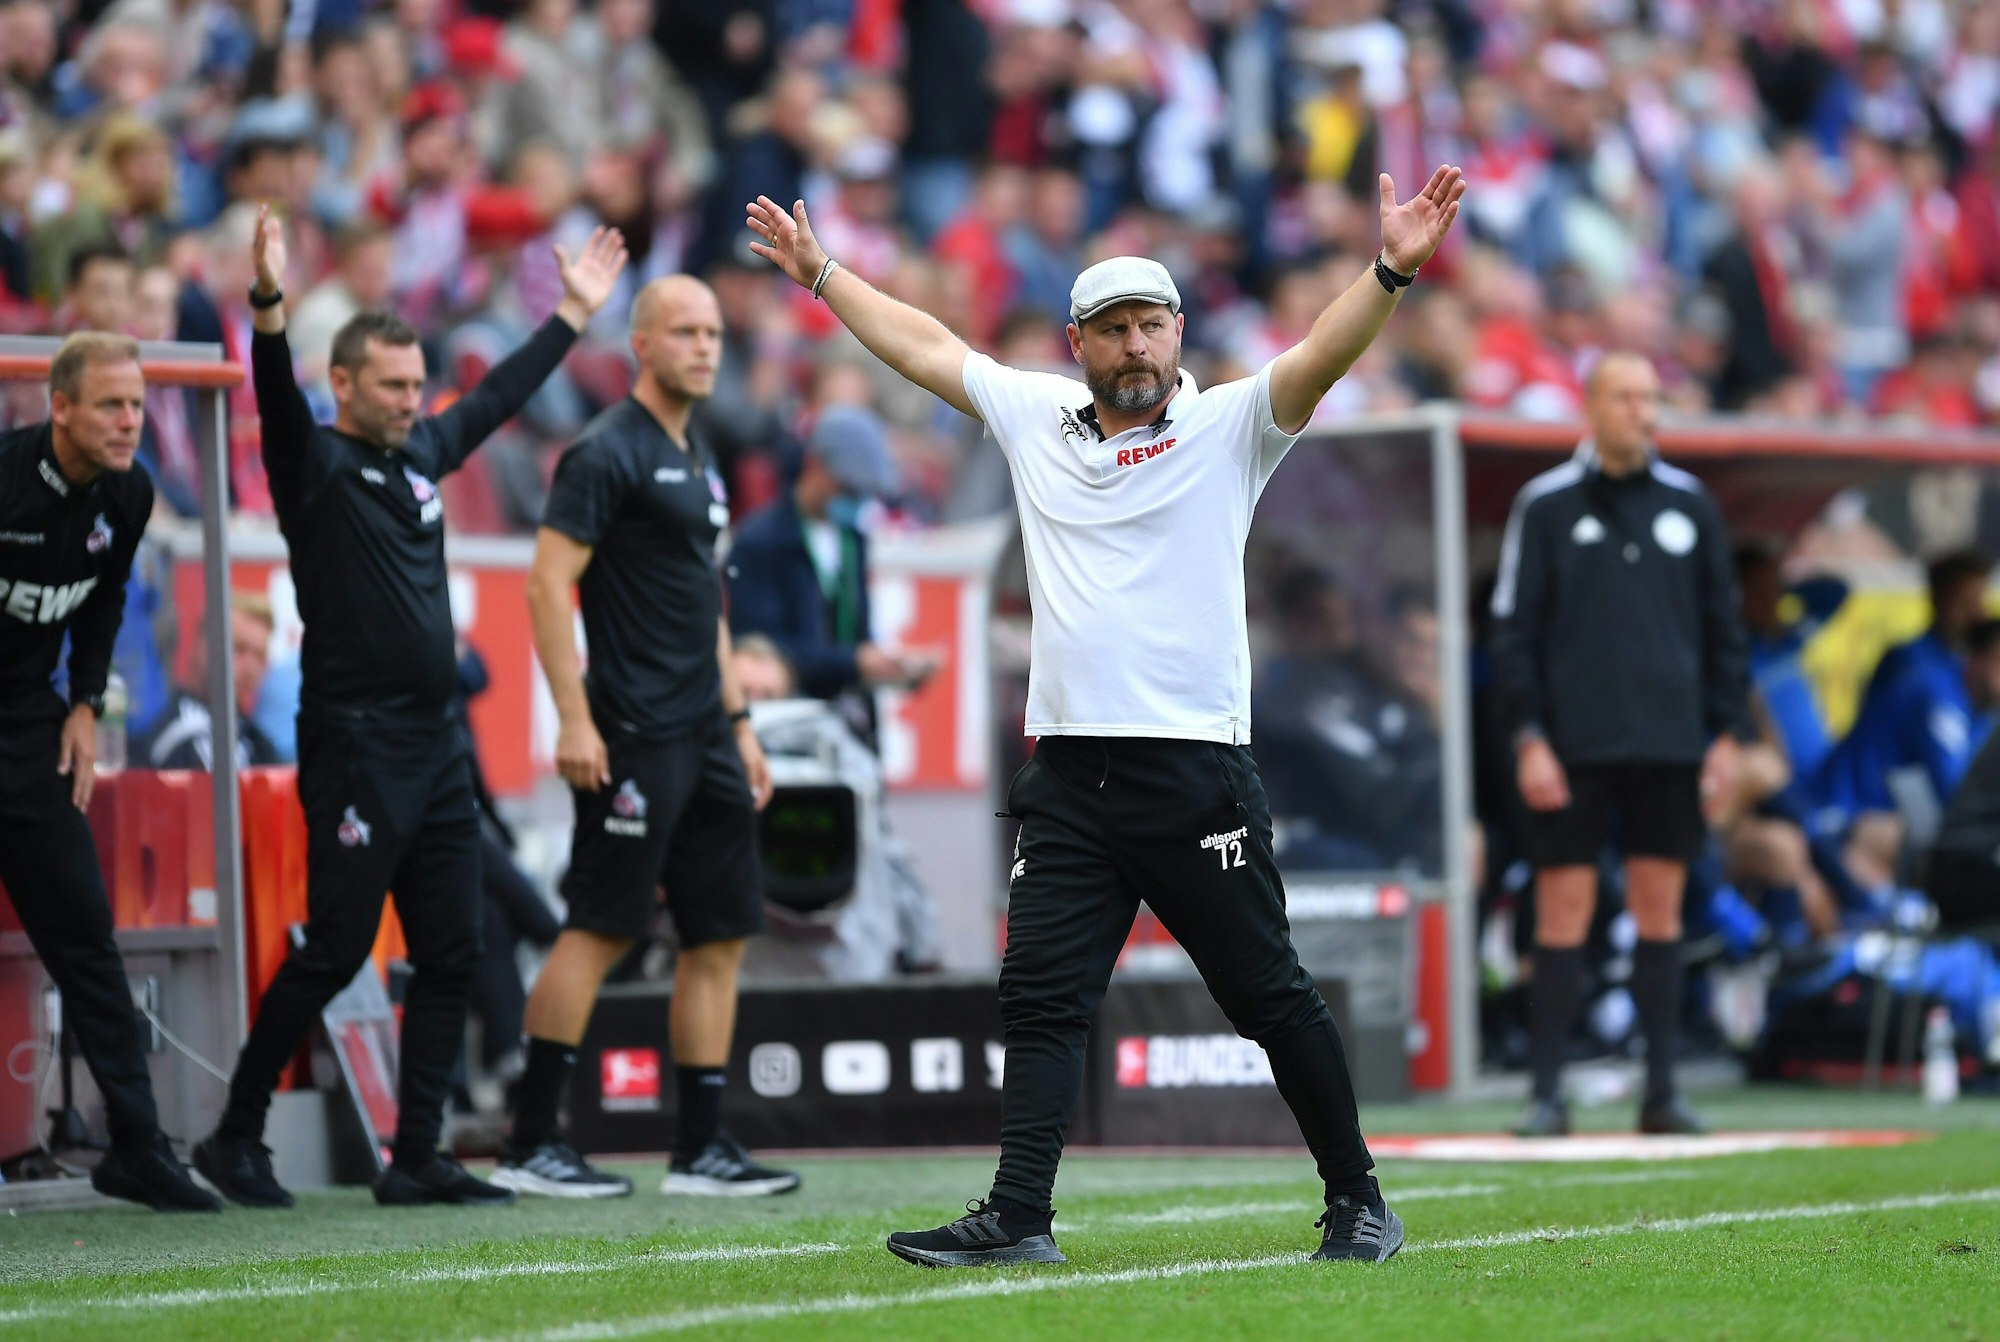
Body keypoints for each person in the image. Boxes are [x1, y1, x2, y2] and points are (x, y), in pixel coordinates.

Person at [744, 161, 1466, 1267]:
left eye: (1152, 325)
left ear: (1178, 333)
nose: (1136, 346)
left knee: (1266, 991)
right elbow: (925, 346)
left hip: (1194, 774)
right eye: (1114, 328)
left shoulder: (1230, 427)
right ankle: (1020, 1216)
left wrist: (1388, 271)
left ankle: (1358, 1198)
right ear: (1077, 343)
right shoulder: (1034, 417)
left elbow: (1321, 351)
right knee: (1037, 996)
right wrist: (824, 273)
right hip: (1071, 774)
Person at [192, 205, 627, 1210]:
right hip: (356, 744)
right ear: (340, 384)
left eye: (413, 384)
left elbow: (500, 398)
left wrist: (567, 315)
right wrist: (267, 301)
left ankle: (416, 1154)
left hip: (435, 749)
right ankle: (234, 1133)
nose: (407, 399)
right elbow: (270, 389)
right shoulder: (315, 468)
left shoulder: (420, 454)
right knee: (337, 946)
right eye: (387, 386)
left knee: (455, 949)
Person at [489, 274, 795, 1201]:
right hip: (628, 729)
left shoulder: (696, 449)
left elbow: (707, 598)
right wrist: (574, 719)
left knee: (720, 937)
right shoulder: (602, 452)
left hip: (704, 730)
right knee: (599, 928)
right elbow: (545, 587)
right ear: (643, 345)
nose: (706, 346)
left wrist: (739, 722)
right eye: (686, 332)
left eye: (713, 331)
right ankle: (532, 1141)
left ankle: (701, 1149)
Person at [1490, 351, 1749, 1139]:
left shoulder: (1690, 504)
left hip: (1670, 744)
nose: (1646, 411)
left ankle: (1661, 1093)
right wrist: (1528, 737)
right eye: (1629, 397)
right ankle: (1546, 1096)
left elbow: (1723, 632)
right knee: (1562, 911)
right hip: (1573, 746)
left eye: (1652, 396)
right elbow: (1513, 634)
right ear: (1592, 407)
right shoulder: (1546, 505)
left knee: (1660, 909)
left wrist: (1724, 734)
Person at [0, 332, 219, 1211]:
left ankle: (137, 1145)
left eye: (136, 405)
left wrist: (85, 700)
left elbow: (105, 600)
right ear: (60, 408)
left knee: (87, 934)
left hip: (29, 731)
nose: (131, 421)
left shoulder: (129, 494)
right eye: (110, 405)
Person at [726, 403, 938, 714]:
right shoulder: (758, 541)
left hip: (845, 720)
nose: (856, 501)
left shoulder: (853, 537)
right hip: (785, 718)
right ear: (814, 465)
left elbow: (856, 633)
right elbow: (759, 649)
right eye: (848, 488)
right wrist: (855, 662)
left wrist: (892, 668)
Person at [134, 591, 280, 771]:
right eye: (238, 648)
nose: (250, 667)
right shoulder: (186, 736)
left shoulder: (252, 738)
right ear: (203, 644)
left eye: (259, 655)